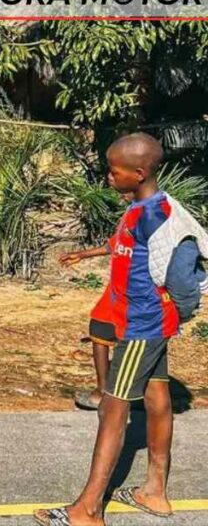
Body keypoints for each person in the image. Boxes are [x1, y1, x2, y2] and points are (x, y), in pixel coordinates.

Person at [35, 133, 208, 526]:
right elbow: (126, 248)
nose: (108, 178)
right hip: (145, 321)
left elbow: (184, 279)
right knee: (156, 394)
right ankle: (154, 493)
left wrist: (172, 314)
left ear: (139, 172)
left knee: (113, 409)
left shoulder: (161, 216)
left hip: (141, 327)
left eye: (114, 172)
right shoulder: (138, 208)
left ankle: (88, 510)